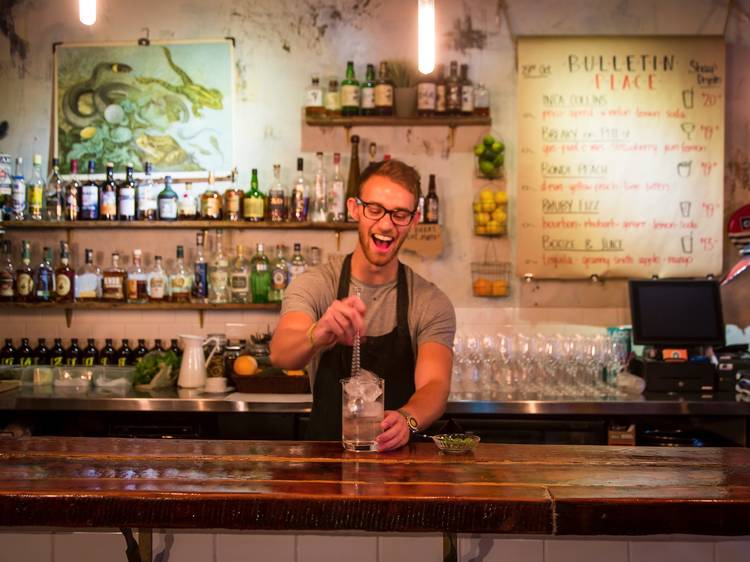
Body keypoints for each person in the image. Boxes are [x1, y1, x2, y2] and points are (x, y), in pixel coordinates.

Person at [270, 159, 456, 452]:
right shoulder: (317, 285)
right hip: (323, 466)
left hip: (400, 470)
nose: (386, 224)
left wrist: (408, 419)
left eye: (399, 214)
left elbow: (435, 386)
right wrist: (317, 334)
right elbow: (281, 354)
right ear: (355, 208)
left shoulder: (429, 301)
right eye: (375, 209)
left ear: (414, 219)